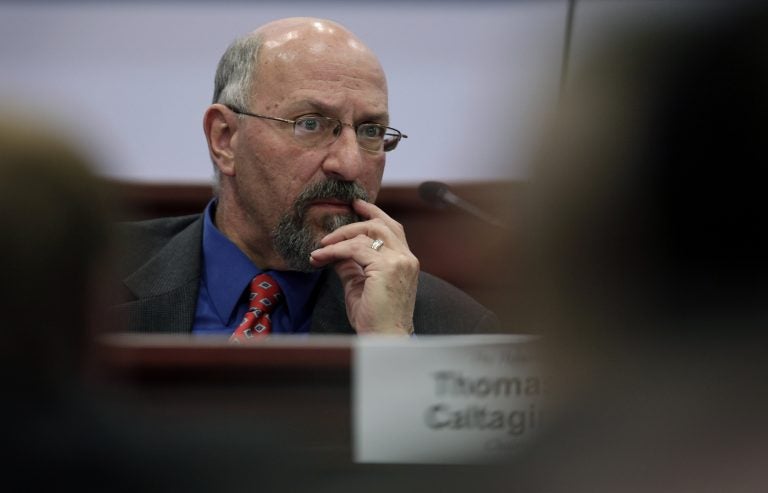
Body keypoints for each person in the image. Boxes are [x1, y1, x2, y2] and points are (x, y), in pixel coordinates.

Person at [112, 17, 498, 337]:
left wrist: (390, 348)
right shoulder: (86, 278)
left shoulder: (451, 327)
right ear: (225, 138)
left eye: (369, 131)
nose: (348, 164)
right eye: (310, 123)